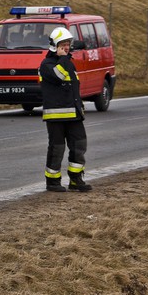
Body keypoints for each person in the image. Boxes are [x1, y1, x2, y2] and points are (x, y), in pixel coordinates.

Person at [38, 27, 92, 192]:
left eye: (68, 44)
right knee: (57, 148)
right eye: (62, 44)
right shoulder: (46, 65)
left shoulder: (68, 62)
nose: (66, 47)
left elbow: (74, 88)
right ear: (54, 45)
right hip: (56, 116)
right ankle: (52, 181)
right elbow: (57, 76)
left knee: (79, 145)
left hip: (74, 114)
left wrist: (79, 109)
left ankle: (76, 179)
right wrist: (62, 59)